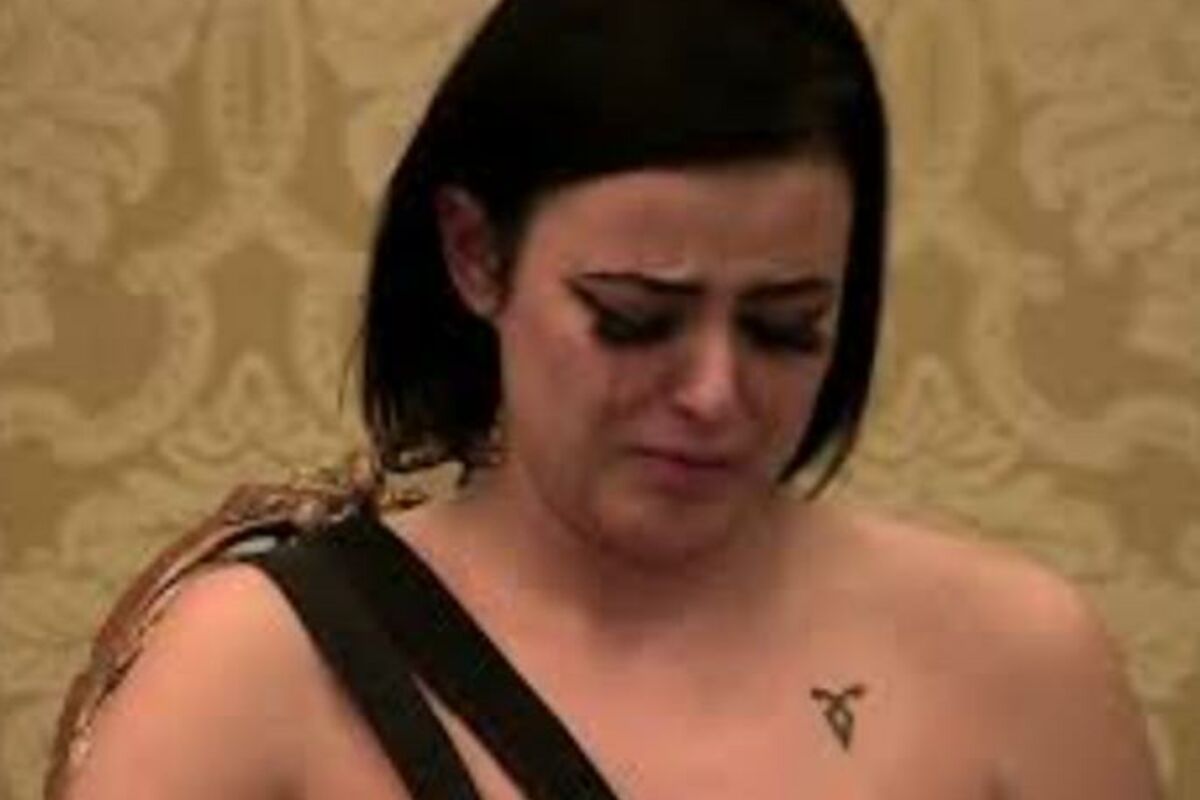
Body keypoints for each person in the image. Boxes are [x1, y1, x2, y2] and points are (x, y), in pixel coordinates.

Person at [59, 0, 1163, 797]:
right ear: (476, 254)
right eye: (634, 317)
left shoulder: (1019, 659)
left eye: (784, 326)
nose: (714, 393)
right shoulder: (252, 667)